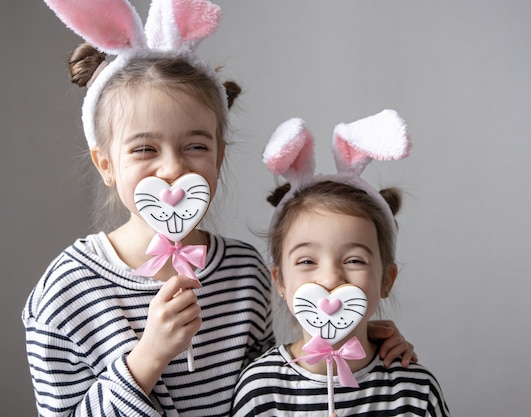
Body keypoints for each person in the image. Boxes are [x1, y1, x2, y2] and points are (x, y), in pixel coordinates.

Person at [22, 1, 416, 416]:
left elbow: (273, 387)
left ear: (219, 156)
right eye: (144, 149)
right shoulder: (64, 293)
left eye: (195, 146)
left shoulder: (245, 273)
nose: (173, 167)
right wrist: (148, 357)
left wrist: (361, 341)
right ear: (106, 164)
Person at [230, 112, 450, 416]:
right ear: (280, 281)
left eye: (354, 260)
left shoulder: (414, 391)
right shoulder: (260, 388)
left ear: (387, 279)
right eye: (307, 260)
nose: (331, 278)